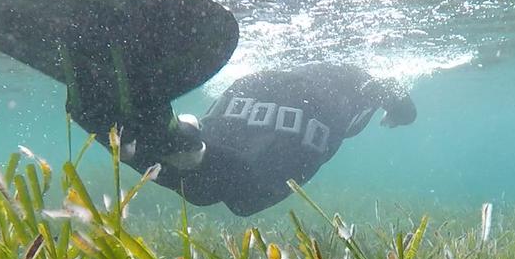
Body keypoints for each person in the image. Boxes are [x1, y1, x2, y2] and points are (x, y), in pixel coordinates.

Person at [0, 0, 416, 215]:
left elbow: (379, 87)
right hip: (267, 126)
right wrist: (400, 104)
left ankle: (122, 103)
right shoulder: (353, 78)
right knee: (236, 196)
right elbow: (382, 86)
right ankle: (159, 129)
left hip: (247, 102)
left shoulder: (308, 73)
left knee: (213, 185)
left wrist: (392, 99)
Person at [68, 61, 416, 215]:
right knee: (247, 197)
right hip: (312, 103)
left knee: (205, 186)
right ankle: (178, 144)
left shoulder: (306, 63)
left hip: (255, 84)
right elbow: (394, 93)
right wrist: (399, 113)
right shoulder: (361, 80)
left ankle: (130, 137)